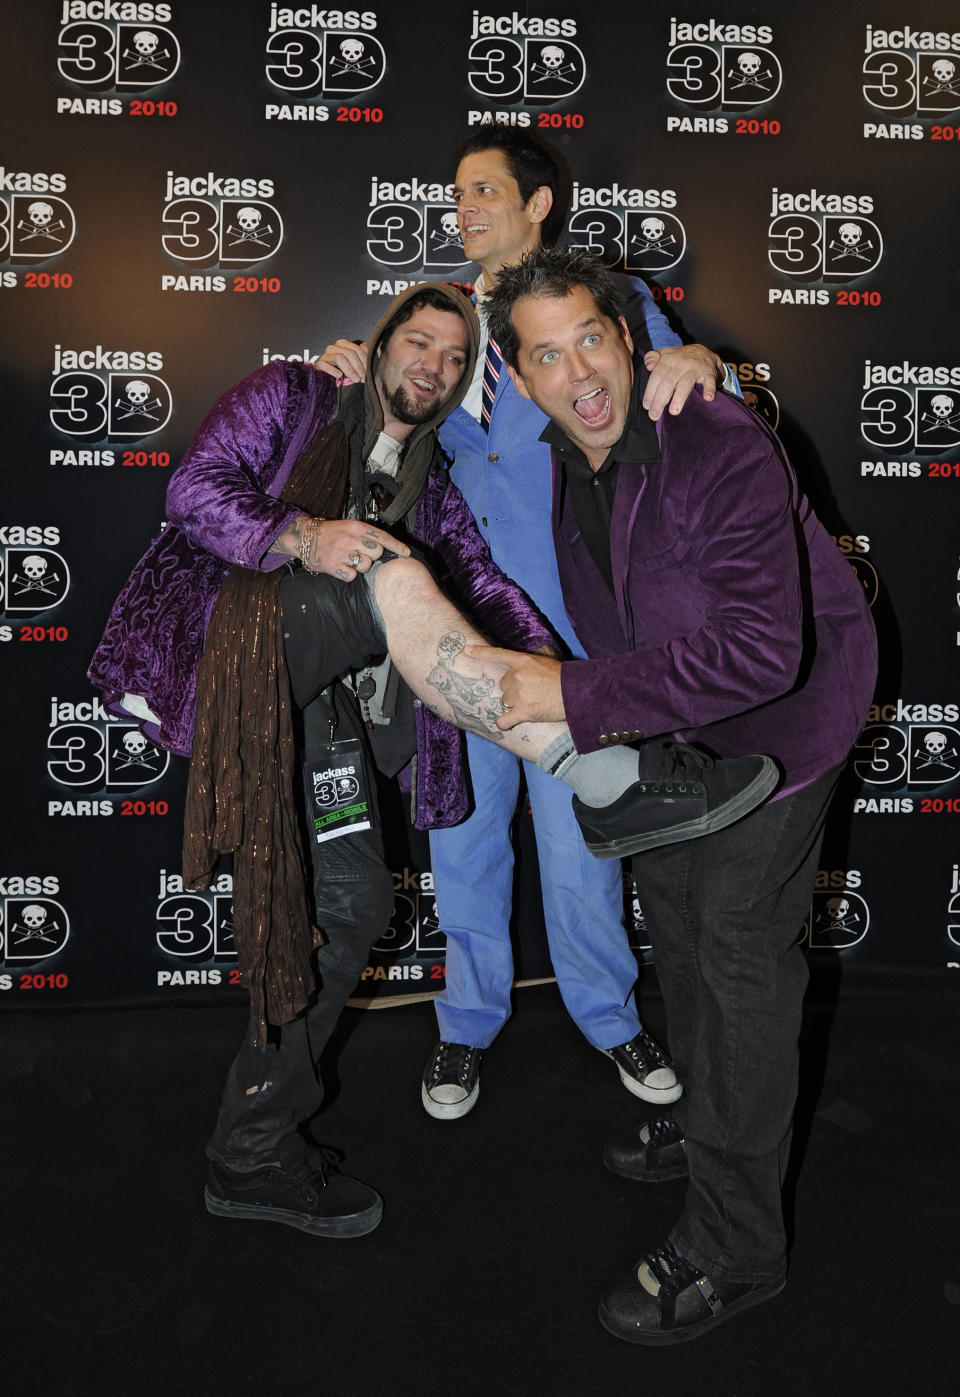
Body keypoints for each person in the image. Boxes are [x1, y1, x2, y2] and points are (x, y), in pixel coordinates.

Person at [88, 281, 771, 1243]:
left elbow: (489, 598)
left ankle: (251, 1148)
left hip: (311, 703)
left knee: (355, 905)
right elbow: (192, 491)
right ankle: (608, 784)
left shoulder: (431, 485)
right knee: (392, 572)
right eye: (418, 343)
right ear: (376, 346)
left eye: (454, 359)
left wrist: (583, 695)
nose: (435, 368)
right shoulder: (291, 394)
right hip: (220, 643)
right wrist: (305, 535)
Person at [477, 245, 877, 1343]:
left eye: (592, 340)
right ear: (518, 378)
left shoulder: (713, 434)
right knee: (685, 943)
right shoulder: (567, 447)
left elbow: (763, 650)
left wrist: (576, 694)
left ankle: (737, 1245)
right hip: (669, 740)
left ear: (629, 334)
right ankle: (712, 1124)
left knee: (737, 967)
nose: (579, 374)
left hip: (781, 735)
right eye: (547, 356)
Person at [319, 128, 745, 1124]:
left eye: (482, 190)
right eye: (454, 191)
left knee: (582, 841)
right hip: (459, 640)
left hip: (579, 636)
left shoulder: (598, 301)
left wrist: (696, 358)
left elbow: (669, 371)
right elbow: (380, 421)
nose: (461, 208)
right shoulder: (443, 328)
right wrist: (346, 364)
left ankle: (608, 1015)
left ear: (539, 203)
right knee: (464, 839)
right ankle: (465, 1024)